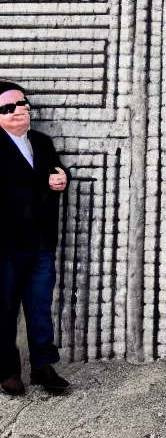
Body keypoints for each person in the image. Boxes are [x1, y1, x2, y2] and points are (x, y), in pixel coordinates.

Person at [0, 81, 70, 395]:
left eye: (22, 103)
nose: (19, 110)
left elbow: (54, 174)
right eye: (8, 107)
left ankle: (42, 365)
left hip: (41, 241)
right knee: (4, 308)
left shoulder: (41, 142)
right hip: (5, 244)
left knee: (40, 305)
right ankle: (6, 370)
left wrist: (60, 179)